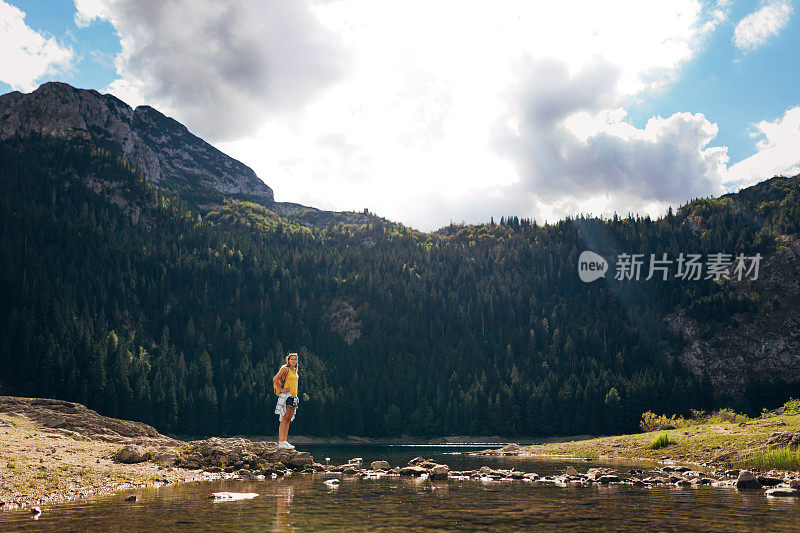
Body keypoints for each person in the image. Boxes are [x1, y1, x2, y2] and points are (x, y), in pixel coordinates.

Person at [273, 352, 299, 449]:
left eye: (295, 359)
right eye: (292, 359)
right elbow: (275, 379)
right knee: (284, 418)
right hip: (287, 396)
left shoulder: (295, 371)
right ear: (288, 360)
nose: (293, 361)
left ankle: (285, 441)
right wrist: (281, 389)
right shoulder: (286, 370)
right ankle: (281, 441)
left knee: (289, 419)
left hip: (294, 397)